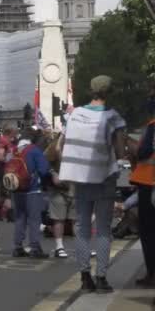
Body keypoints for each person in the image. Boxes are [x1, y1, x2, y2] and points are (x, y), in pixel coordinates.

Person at [59, 75, 127, 294]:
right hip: (104, 178)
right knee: (104, 230)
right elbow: (120, 151)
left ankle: (84, 277)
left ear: (91, 90)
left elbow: (62, 145)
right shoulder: (113, 117)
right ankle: (102, 278)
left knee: (82, 227)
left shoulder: (76, 114)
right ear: (109, 92)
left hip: (80, 177)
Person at [11, 129, 51, 259]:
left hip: (17, 190)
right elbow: (44, 170)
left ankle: (18, 247)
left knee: (20, 218)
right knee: (34, 219)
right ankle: (35, 247)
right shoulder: (34, 150)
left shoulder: (15, 151)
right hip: (32, 189)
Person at [129, 91, 155, 287]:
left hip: (150, 184)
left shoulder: (153, 127)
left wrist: (134, 150)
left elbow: (145, 152)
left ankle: (152, 274)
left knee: (148, 232)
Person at [44, 133, 74, 258]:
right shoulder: (52, 149)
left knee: (78, 220)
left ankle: (84, 246)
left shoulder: (76, 147)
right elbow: (44, 164)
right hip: (59, 189)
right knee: (59, 219)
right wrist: (52, 173)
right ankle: (59, 247)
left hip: (74, 187)